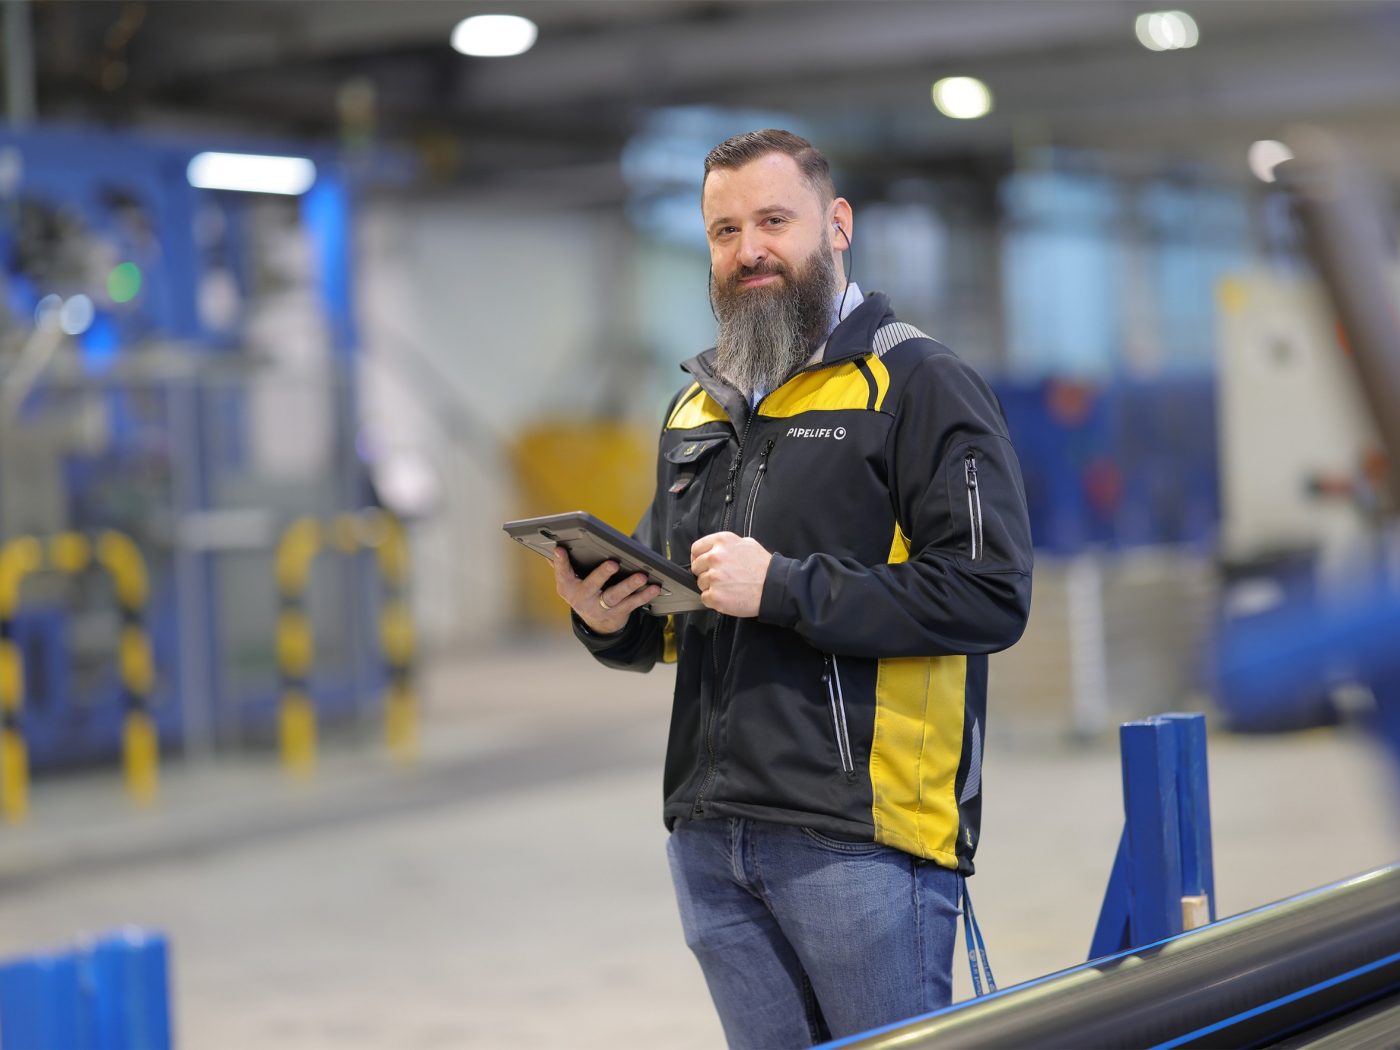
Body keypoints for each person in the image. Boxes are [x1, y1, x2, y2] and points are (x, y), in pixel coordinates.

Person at [552, 129, 1033, 1048]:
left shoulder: (919, 385)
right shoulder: (698, 404)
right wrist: (609, 620)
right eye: (725, 230)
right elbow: (678, 607)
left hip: (859, 840)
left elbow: (987, 595)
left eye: (774, 220)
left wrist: (784, 587)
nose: (750, 250)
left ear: (837, 224)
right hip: (709, 832)